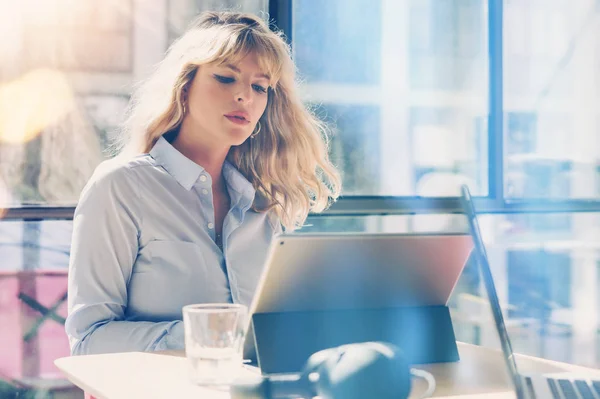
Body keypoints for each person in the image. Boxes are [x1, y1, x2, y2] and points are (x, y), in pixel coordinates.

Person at [65, 11, 341, 355]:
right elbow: (89, 341)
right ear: (184, 86)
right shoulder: (121, 187)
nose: (246, 96)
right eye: (226, 77)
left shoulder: (263, 206)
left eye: (260, 87)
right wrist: (209, 334)